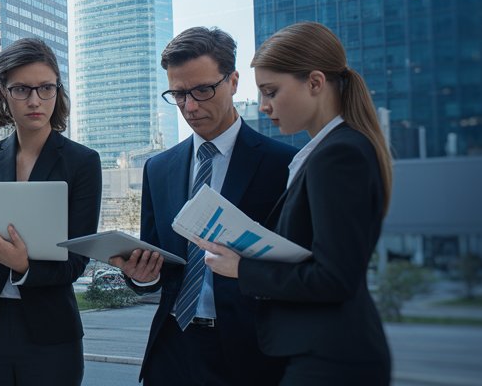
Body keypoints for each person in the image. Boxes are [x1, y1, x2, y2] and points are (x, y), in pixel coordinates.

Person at [193, 21, 393, 384]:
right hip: (322, 352)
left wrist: (242, 269)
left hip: (331, 357)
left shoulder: (340, 155)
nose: (264, 106)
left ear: (315, 83)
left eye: (271, 91)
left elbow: (334, 278)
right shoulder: (325, 151)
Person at [111, 26, 296, 385]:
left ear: (234, 81)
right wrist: (140, 276)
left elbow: (295, 273)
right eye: (178, 94)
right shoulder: (158, 168)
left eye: (202, 90)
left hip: (250, 354)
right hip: (172, 350)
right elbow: (159, 264)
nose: (190, 106)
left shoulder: (282, 165)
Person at [0, 38, 102, 386]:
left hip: (50, 332)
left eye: (45, 88)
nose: (35, 100)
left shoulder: (83, 162)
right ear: (4, 92)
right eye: (21, 89)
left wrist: (21, 264)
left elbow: (76, 263)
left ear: (57, 91)